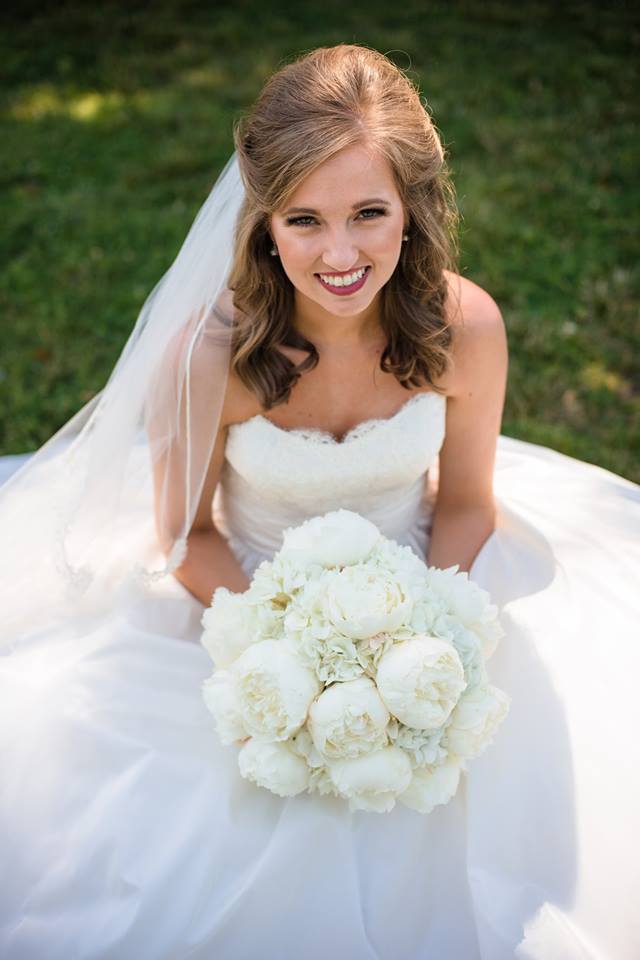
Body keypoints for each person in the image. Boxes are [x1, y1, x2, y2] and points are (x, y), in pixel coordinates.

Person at [0, 43, 638, 960]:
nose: (340, 255)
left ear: (413, 211)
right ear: (263, 224)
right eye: (304, 220)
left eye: (369, 214)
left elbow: (464, 505)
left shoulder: (468, 330)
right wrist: (287, 650)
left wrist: (418, 635)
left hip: (423, 578)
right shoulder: (207, 358)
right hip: (242, 599)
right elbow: (187, 537)